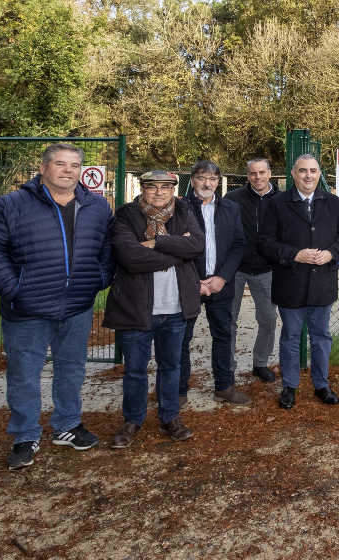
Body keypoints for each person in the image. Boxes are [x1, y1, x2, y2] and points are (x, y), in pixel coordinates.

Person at [0, 143, 113, 470]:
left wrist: (99, 278)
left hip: (76, 305)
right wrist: (13, 288)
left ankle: (66, 425)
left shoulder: (96, 207)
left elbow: (107, 248)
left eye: (75, 165)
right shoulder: (12, 204)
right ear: (44, 167)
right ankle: (25, 435)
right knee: (24, 374)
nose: (68, 171)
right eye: (61, 164)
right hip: (27, 310)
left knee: (72, 369)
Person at [104, 170, 204, 448]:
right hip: (136, 308)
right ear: (142, 188)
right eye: (151, 187)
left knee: (171, 366)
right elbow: (130, 257)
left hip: (175, 308)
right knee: (135, 369)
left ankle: (170, 417)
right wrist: (176, 251)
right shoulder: (126, 214)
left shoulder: (184, 210)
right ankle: (132, 420)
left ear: (173, 189)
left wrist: (157, 242)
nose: (159, 192)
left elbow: (196, 245)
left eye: (165, 187)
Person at [259, 154, 339, 410]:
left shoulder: (332, 203)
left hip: (323, 285)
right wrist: (294, 254)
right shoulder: (277, 204)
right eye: (303, 171)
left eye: (313, 170)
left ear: (319, 174)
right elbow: (265, 243)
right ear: (293, 174)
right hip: (290, 285)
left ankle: (321, 384)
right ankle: (290, 386)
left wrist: (332, 253)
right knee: (290, 337)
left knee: (321, 336)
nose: (308, 175)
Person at [180, 160, 250, 405]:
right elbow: (174, 247)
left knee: (223, 335)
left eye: (212, 179)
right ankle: (178, 391)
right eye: (201, 178)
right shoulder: (179, 207)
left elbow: (239, 244)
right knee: (181, 337)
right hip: (189, 285)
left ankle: (224, 386)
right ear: (193, 180)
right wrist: (194, 281)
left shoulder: (230, 208)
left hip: (221, 284)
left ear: (218, 182)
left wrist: (222, 277)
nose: (207, 183)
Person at [226, 158, 280, 383]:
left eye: (261, 172)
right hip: (235, 269)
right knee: (228, 320)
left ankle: (260, 363)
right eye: (252, 173)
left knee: (268, 318)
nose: (257, 177)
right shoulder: (232, 199)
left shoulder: (281, 200)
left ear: (270, 173)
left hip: (267, 269)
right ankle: (227, 367)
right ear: (247, 175)